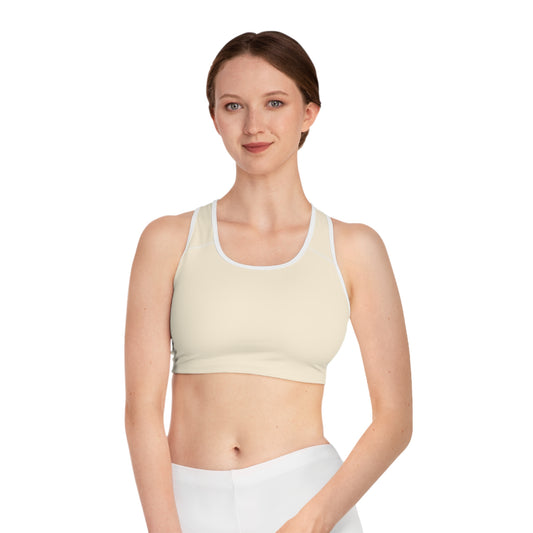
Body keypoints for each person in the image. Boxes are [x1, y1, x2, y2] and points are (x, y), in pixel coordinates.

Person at [124, 30, 412, 533]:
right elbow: (141, 411)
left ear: (308, 113)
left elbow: (395, 418)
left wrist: (314, 521)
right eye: (233, 105)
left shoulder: (354, 249)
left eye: (274, 103)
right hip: (186, 503)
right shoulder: (167, 241)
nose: (253, 125)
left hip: (307, 500)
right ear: (214, 117)